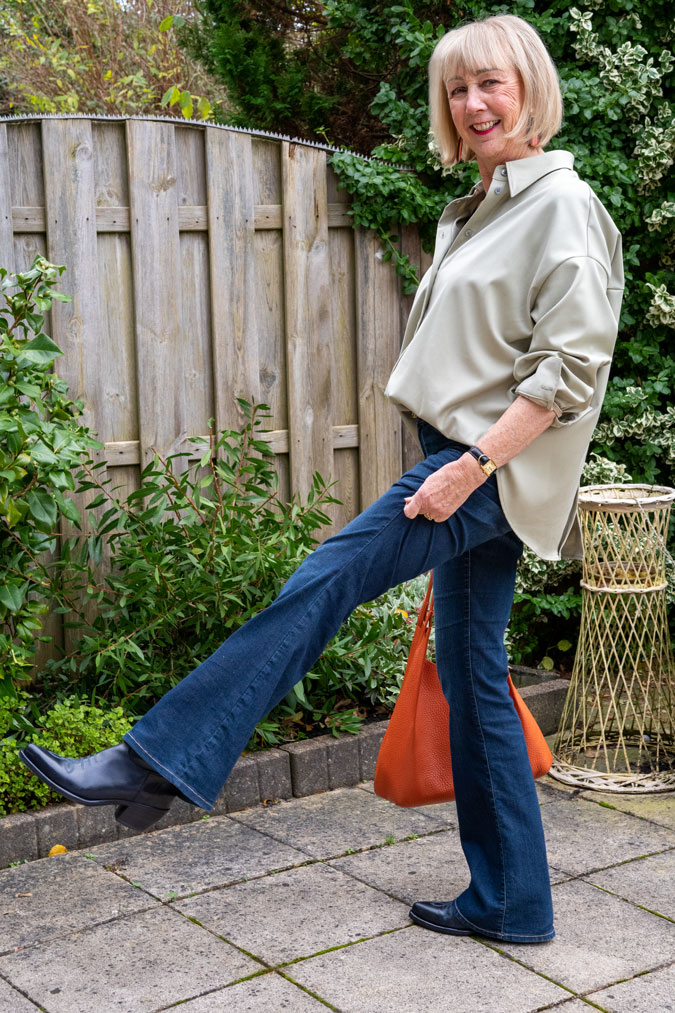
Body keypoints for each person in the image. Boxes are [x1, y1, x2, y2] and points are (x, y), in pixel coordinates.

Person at [20, 13, 623, 946]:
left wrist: (468, 470)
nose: (471, 105)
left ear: (530, 88)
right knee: (470, 675)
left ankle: (152, 760)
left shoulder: (558, 204)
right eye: (457, 90)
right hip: (468, 461)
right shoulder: (486, 203)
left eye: (489, 84)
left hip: (479, 468)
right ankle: (513, 899)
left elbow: (568, 372)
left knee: (324, 579)